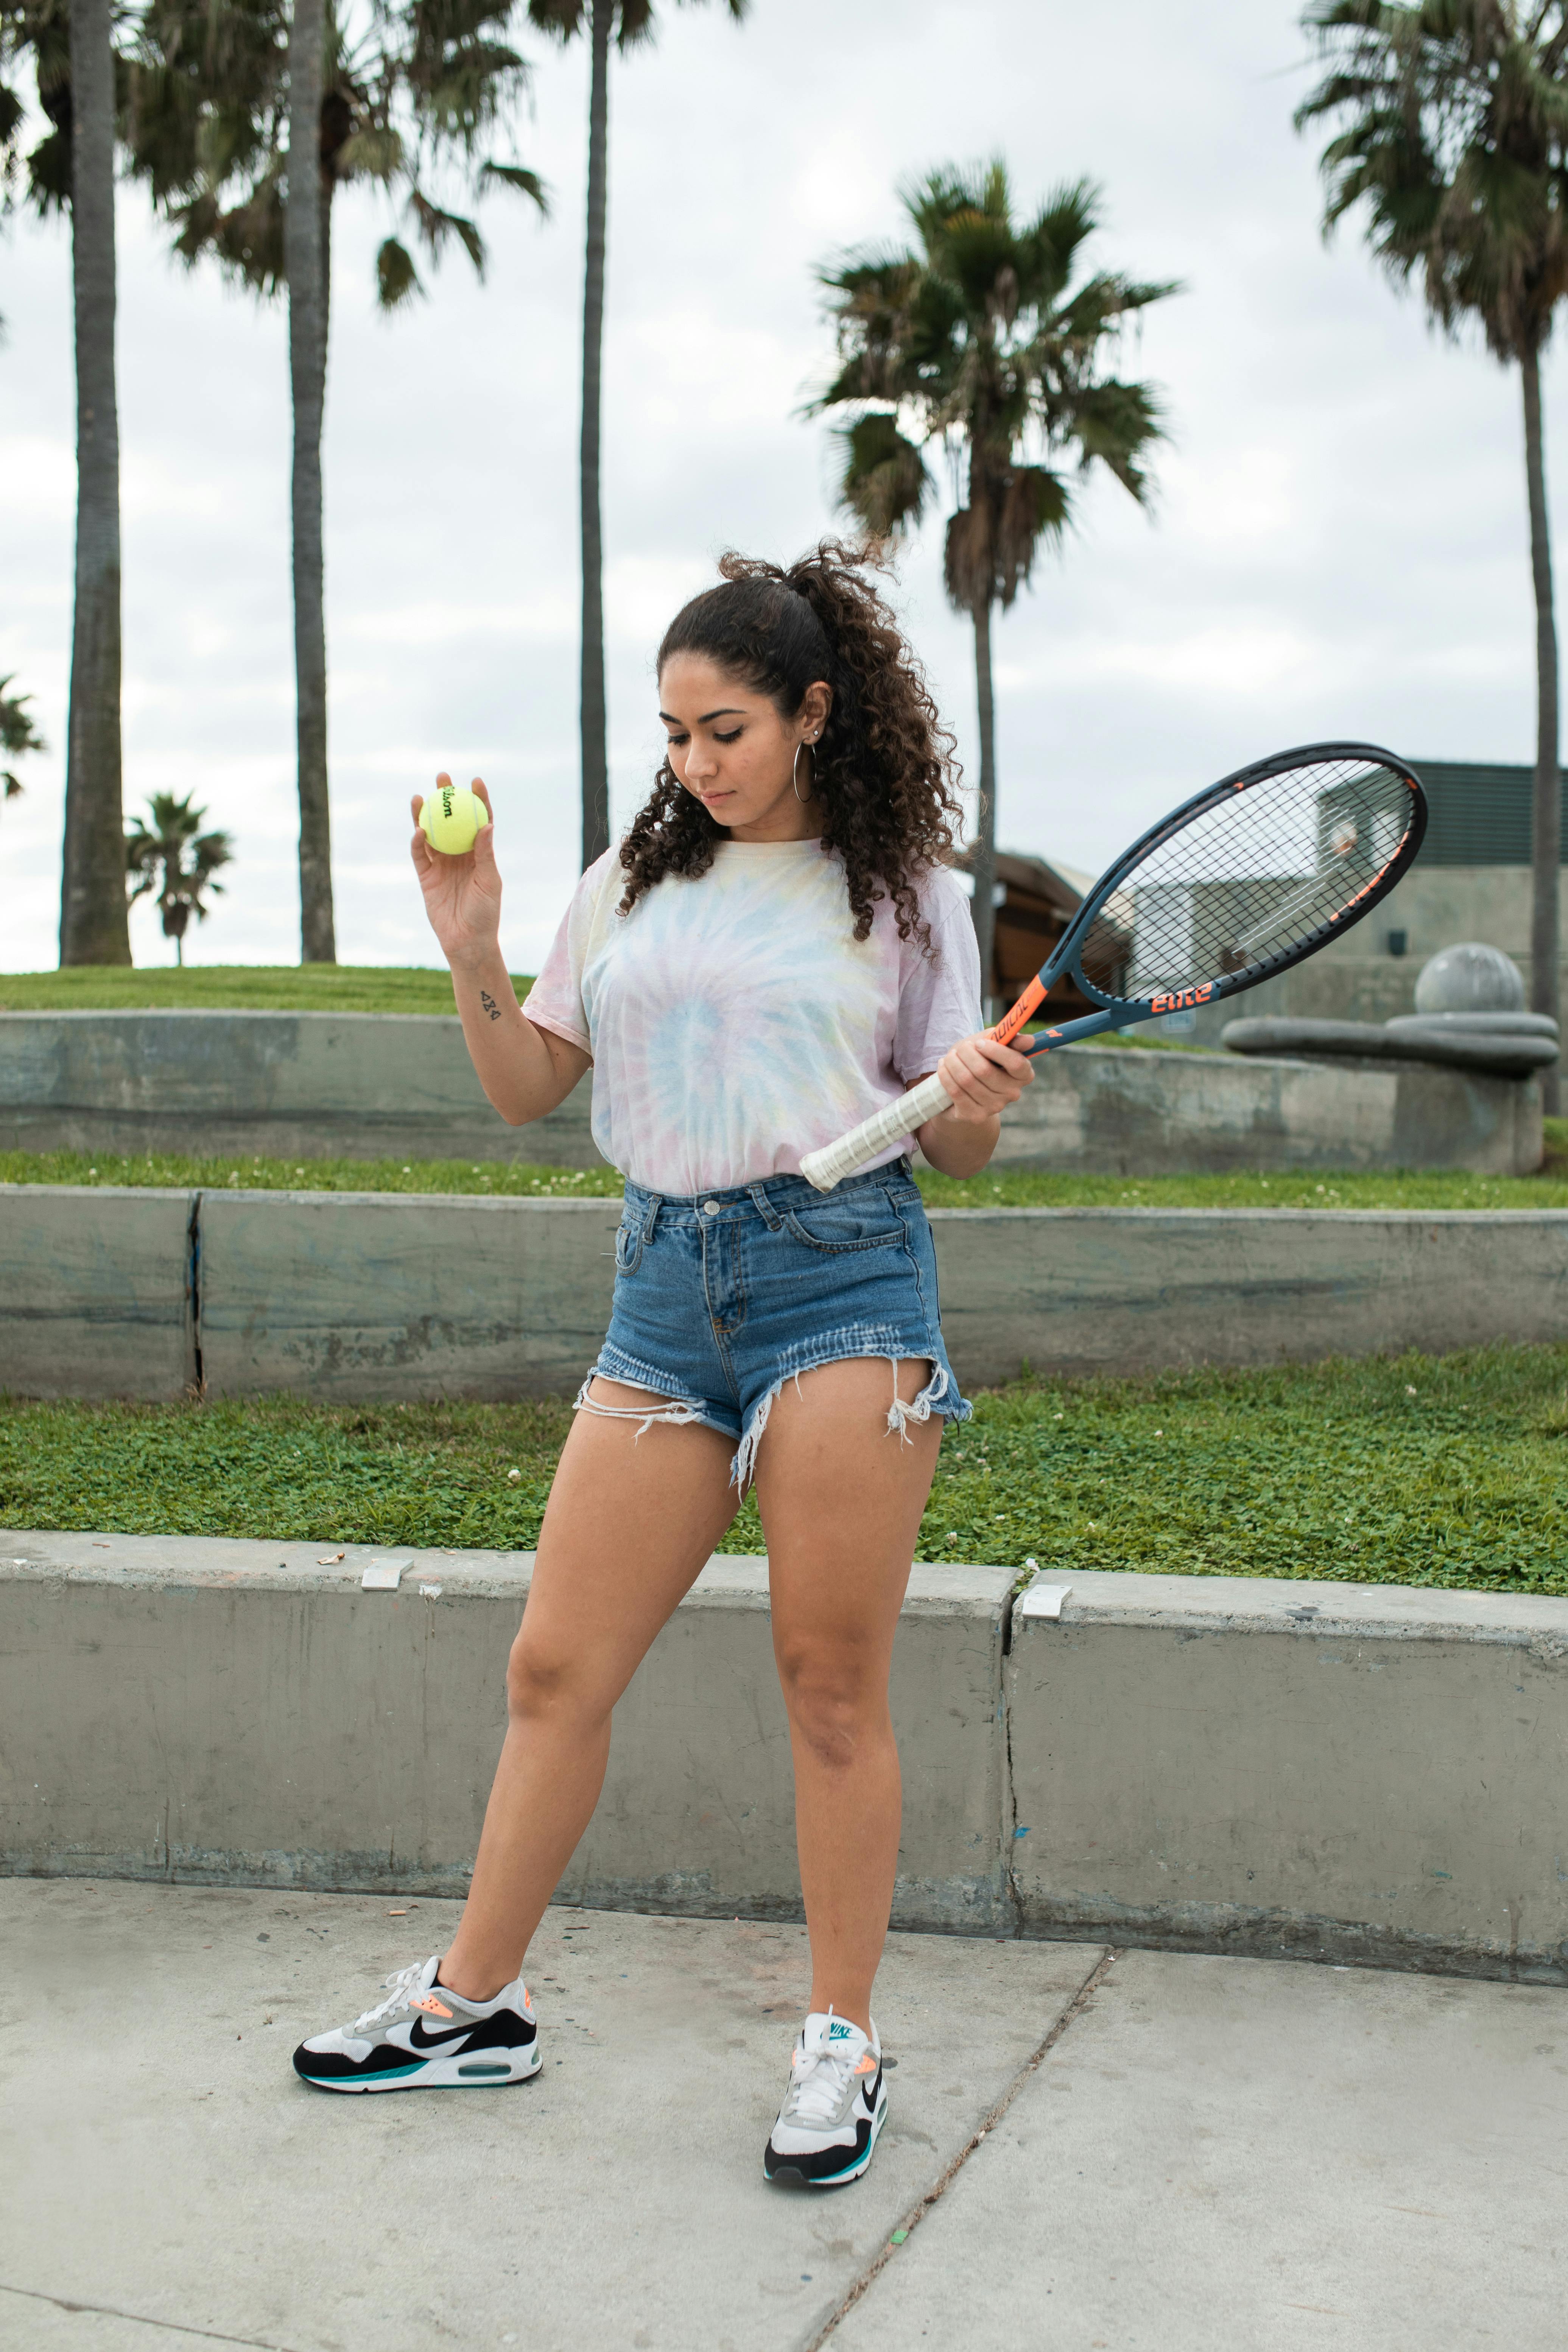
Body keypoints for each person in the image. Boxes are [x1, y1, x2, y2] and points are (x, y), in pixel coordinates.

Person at [293, 541, 1033, 2187]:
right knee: (554, 1669)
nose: (693, 765)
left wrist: (973, 1104)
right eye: (673, 735)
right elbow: (522, 1087)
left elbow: (955, 1146)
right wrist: (472, 939)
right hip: (660, 1294)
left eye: (725, 732)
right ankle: (476, 2006)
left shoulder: (901, 894)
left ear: (815, 714)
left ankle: (840, 2039)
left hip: (841, 1280)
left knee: (827, 1687)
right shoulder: (627, 880)